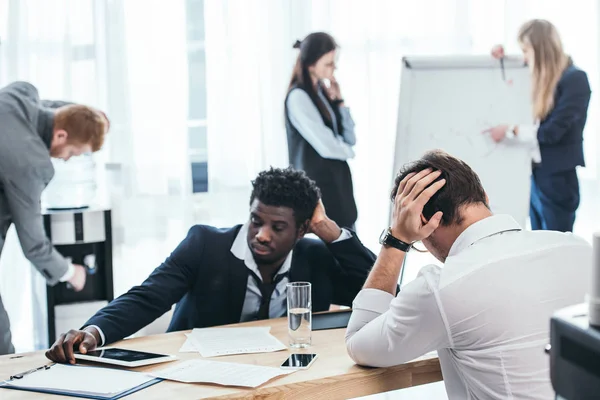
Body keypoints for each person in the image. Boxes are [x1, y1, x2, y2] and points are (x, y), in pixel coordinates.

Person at [46, 167, 375, 364]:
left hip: (281, 381)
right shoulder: (205, 245)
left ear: (302, 229)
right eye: (255, 221)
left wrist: (329, 230)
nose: (260, 235)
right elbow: (146, 298)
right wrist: (92, 332)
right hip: (195, 375)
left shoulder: (314, 257)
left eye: (277, 228)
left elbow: (382, 296)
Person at [345, 150, 591, 399]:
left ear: (421, 221)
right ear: (484, 196)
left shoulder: (442, 289)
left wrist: (397, 240)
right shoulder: (578, 248)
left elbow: (359, 343)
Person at [0, 81, 109, 355]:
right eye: (73, 152)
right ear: (60, 136)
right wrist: (72, 273)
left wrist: (92, 119)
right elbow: (35, 245)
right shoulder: (33, 164)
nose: (68, 160)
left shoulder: (19, 94)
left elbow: (54, 111)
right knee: (2, 346)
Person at [483, 19, 591, 232]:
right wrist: (500, 59)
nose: (523, 57)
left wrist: (510, 130)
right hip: (535, 176)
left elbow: (552, 132)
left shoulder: (574, 79)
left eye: (526, 50)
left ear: (540, 50)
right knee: (538, 244)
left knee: (557, 245)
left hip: (557, 178)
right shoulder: (540, 77)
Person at [285, 32, 358, 229]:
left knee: (348, 246)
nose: (334, 68)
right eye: (328, 64)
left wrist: (340, 103)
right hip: (319, 192)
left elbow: (349, 139)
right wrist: (349, 153)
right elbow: (328, 147)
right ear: (310, 64)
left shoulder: (323, 93)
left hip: (337, 188)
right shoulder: (299, 97)